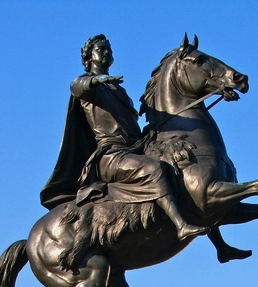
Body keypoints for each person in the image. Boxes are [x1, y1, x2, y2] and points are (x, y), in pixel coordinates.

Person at [40, 34, 209, 244]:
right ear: (89, 57)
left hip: (132, 149)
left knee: (184, 171)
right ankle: (181, 225)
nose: (106, 52)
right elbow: (76, 85)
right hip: (110, 155)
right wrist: (97, 80)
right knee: (154, 169)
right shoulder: (90, 87)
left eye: (108, 49)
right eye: (100, 49)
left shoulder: (118, 90)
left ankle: (220, 244)